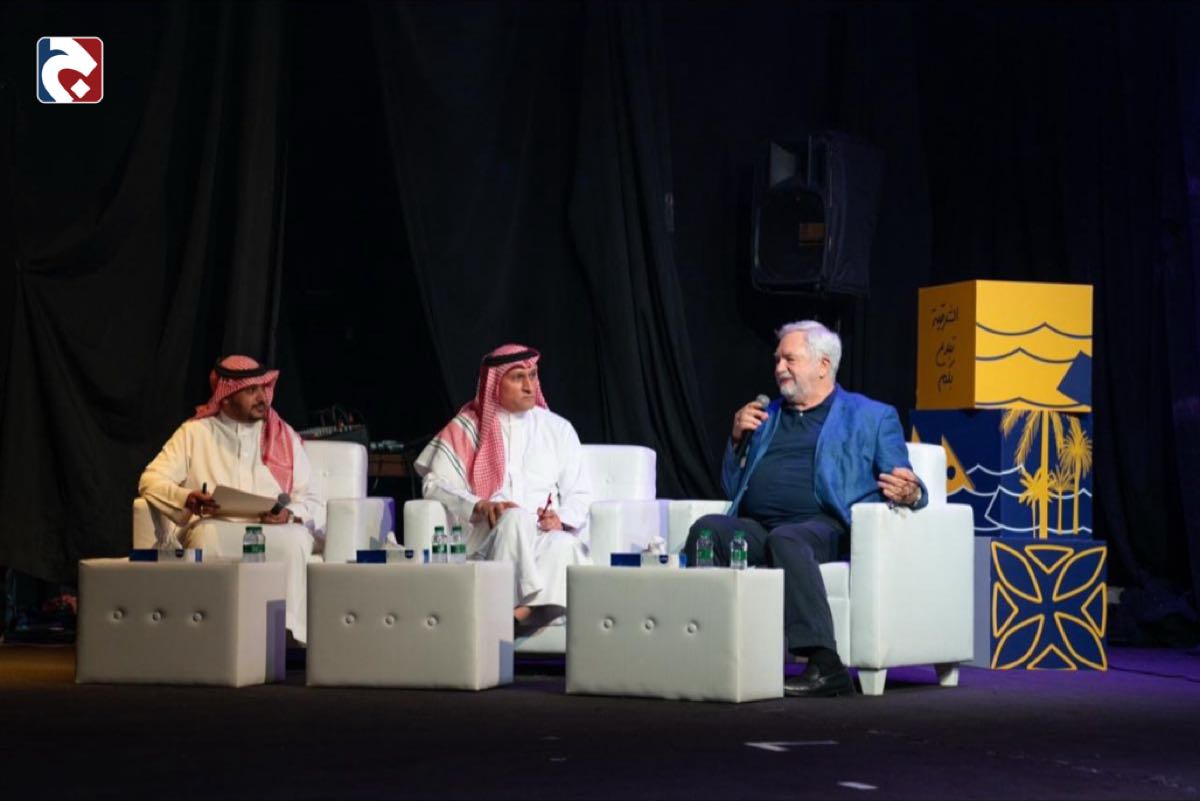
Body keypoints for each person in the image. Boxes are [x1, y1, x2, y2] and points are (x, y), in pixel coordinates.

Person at [684, 320, 927, 697]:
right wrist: (735, 440)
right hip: (761, 527)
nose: (779, 367)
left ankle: (826, 666)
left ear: (823, 365)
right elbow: (732, 489)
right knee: (707, 529)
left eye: (789, 359)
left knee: (788, 539)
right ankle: (708, 650)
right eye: (777, 359)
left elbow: (905, 480)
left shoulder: (871, 416)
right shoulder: (767, 416)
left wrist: (911, 492)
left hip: (827, 526)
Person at [138, 354, 323, 644]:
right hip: (215, 525)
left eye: (263, 388)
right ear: (225, 398)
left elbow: (310, 497)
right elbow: (150, 479)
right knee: (206, 537)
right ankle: (208, 631)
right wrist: (187, 498)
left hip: (273, 528)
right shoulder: (195, 433)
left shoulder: (282, 435)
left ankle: (283, 635)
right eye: (251, 391)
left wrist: (289, 514)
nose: (262, 397)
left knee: (295, 540)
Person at [414, 344, 593, 631]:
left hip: (540, 537)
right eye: (518, 377)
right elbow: (433, 484)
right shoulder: (467, 428)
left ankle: (514, 616)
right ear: (495, 384)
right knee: (515, 517)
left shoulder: (558, 429)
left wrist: (560, 519)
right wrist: (479, 505)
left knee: (565, 544)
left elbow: (580, 494)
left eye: (533, 376)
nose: (529, 386)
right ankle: (527, 609)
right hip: (489, 538)